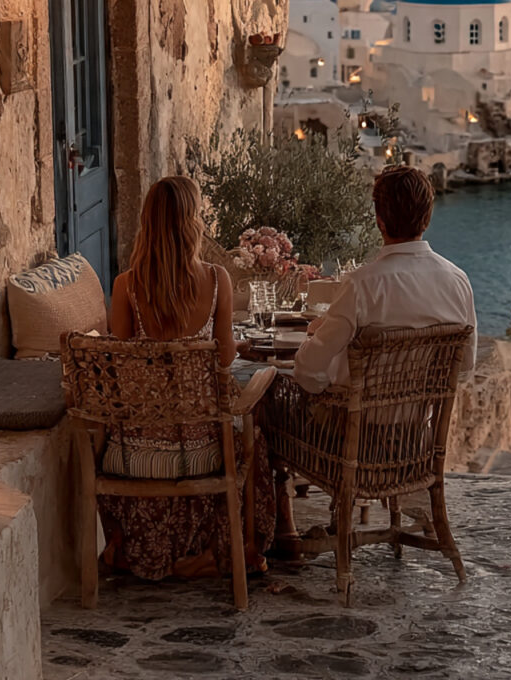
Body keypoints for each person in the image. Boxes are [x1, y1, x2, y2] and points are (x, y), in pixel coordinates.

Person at [99, 175, 275, 580]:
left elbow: (122, 363)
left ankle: (158, 550)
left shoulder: (126, 286)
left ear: (147, 223)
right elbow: (224, 358)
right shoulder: (216, 280)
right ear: (192, 223)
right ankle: (232, 548)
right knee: (254, 440)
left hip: (135, 446)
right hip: (200, 445)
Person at [293, 164, 477, 392]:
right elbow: (464, 369)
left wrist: (328, 370)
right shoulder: (458, 281)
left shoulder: (361, 285)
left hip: (354, 414)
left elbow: (307, 373)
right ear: (427, 219)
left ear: (380, 221)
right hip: (425, 415)